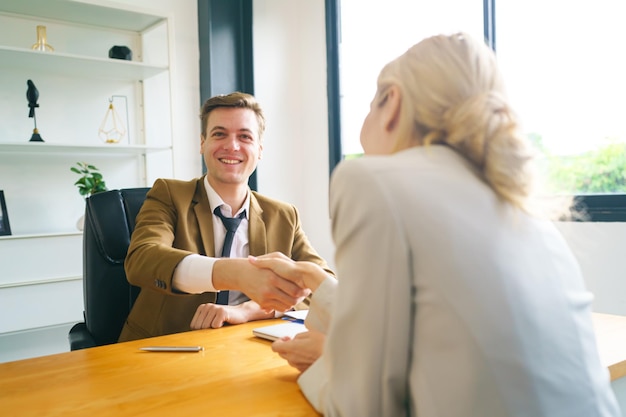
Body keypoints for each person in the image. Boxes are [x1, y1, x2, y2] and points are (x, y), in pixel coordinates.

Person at [249, 33, 621, 416]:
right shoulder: (521, 210)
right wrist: (317, 281)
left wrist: (330, 361)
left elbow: (363, 406)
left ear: (392, 102)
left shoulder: (372, 181)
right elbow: (437, 318)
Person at [118, 92, 334, 342]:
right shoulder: (169, 194)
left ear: (259, 149)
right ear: (202, 143)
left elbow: (325, 286)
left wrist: (249, 310)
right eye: (219, 134)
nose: (232, 146)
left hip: (244, 348)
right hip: (162, 346)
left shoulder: (283, 215)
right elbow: (142, 259)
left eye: (245, 136)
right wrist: (236, 273)